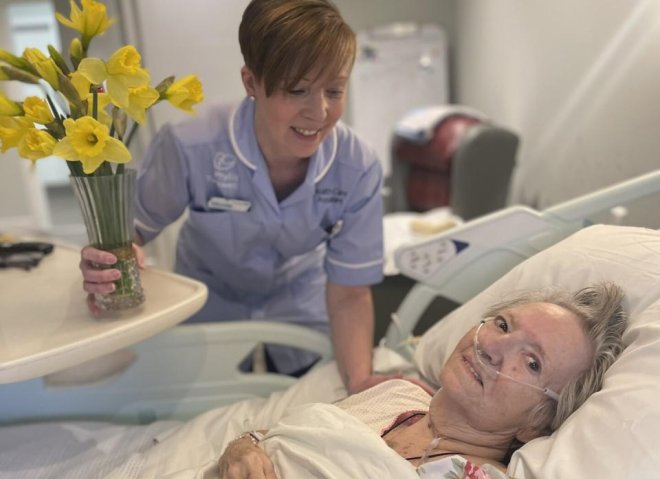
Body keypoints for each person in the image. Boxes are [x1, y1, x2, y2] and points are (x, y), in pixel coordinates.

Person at [79, 0, 390, 390]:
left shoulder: (356, 167)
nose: (320, 111)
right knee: (204, 401)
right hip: (209, 294)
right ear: (251, 83)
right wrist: (108, 265)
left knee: (311, 397)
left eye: (335, 89)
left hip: (299, 297)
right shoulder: (190, 146)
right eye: (298, 90)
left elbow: (349, 292)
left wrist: (360, 379)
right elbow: (128, 235)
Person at [216, 282, 627, 478]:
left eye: (532, 362)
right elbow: (275, 437)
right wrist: (242, 448)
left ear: (536, 421)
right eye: (502, 324)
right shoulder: (397, 393)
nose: (492, 347)